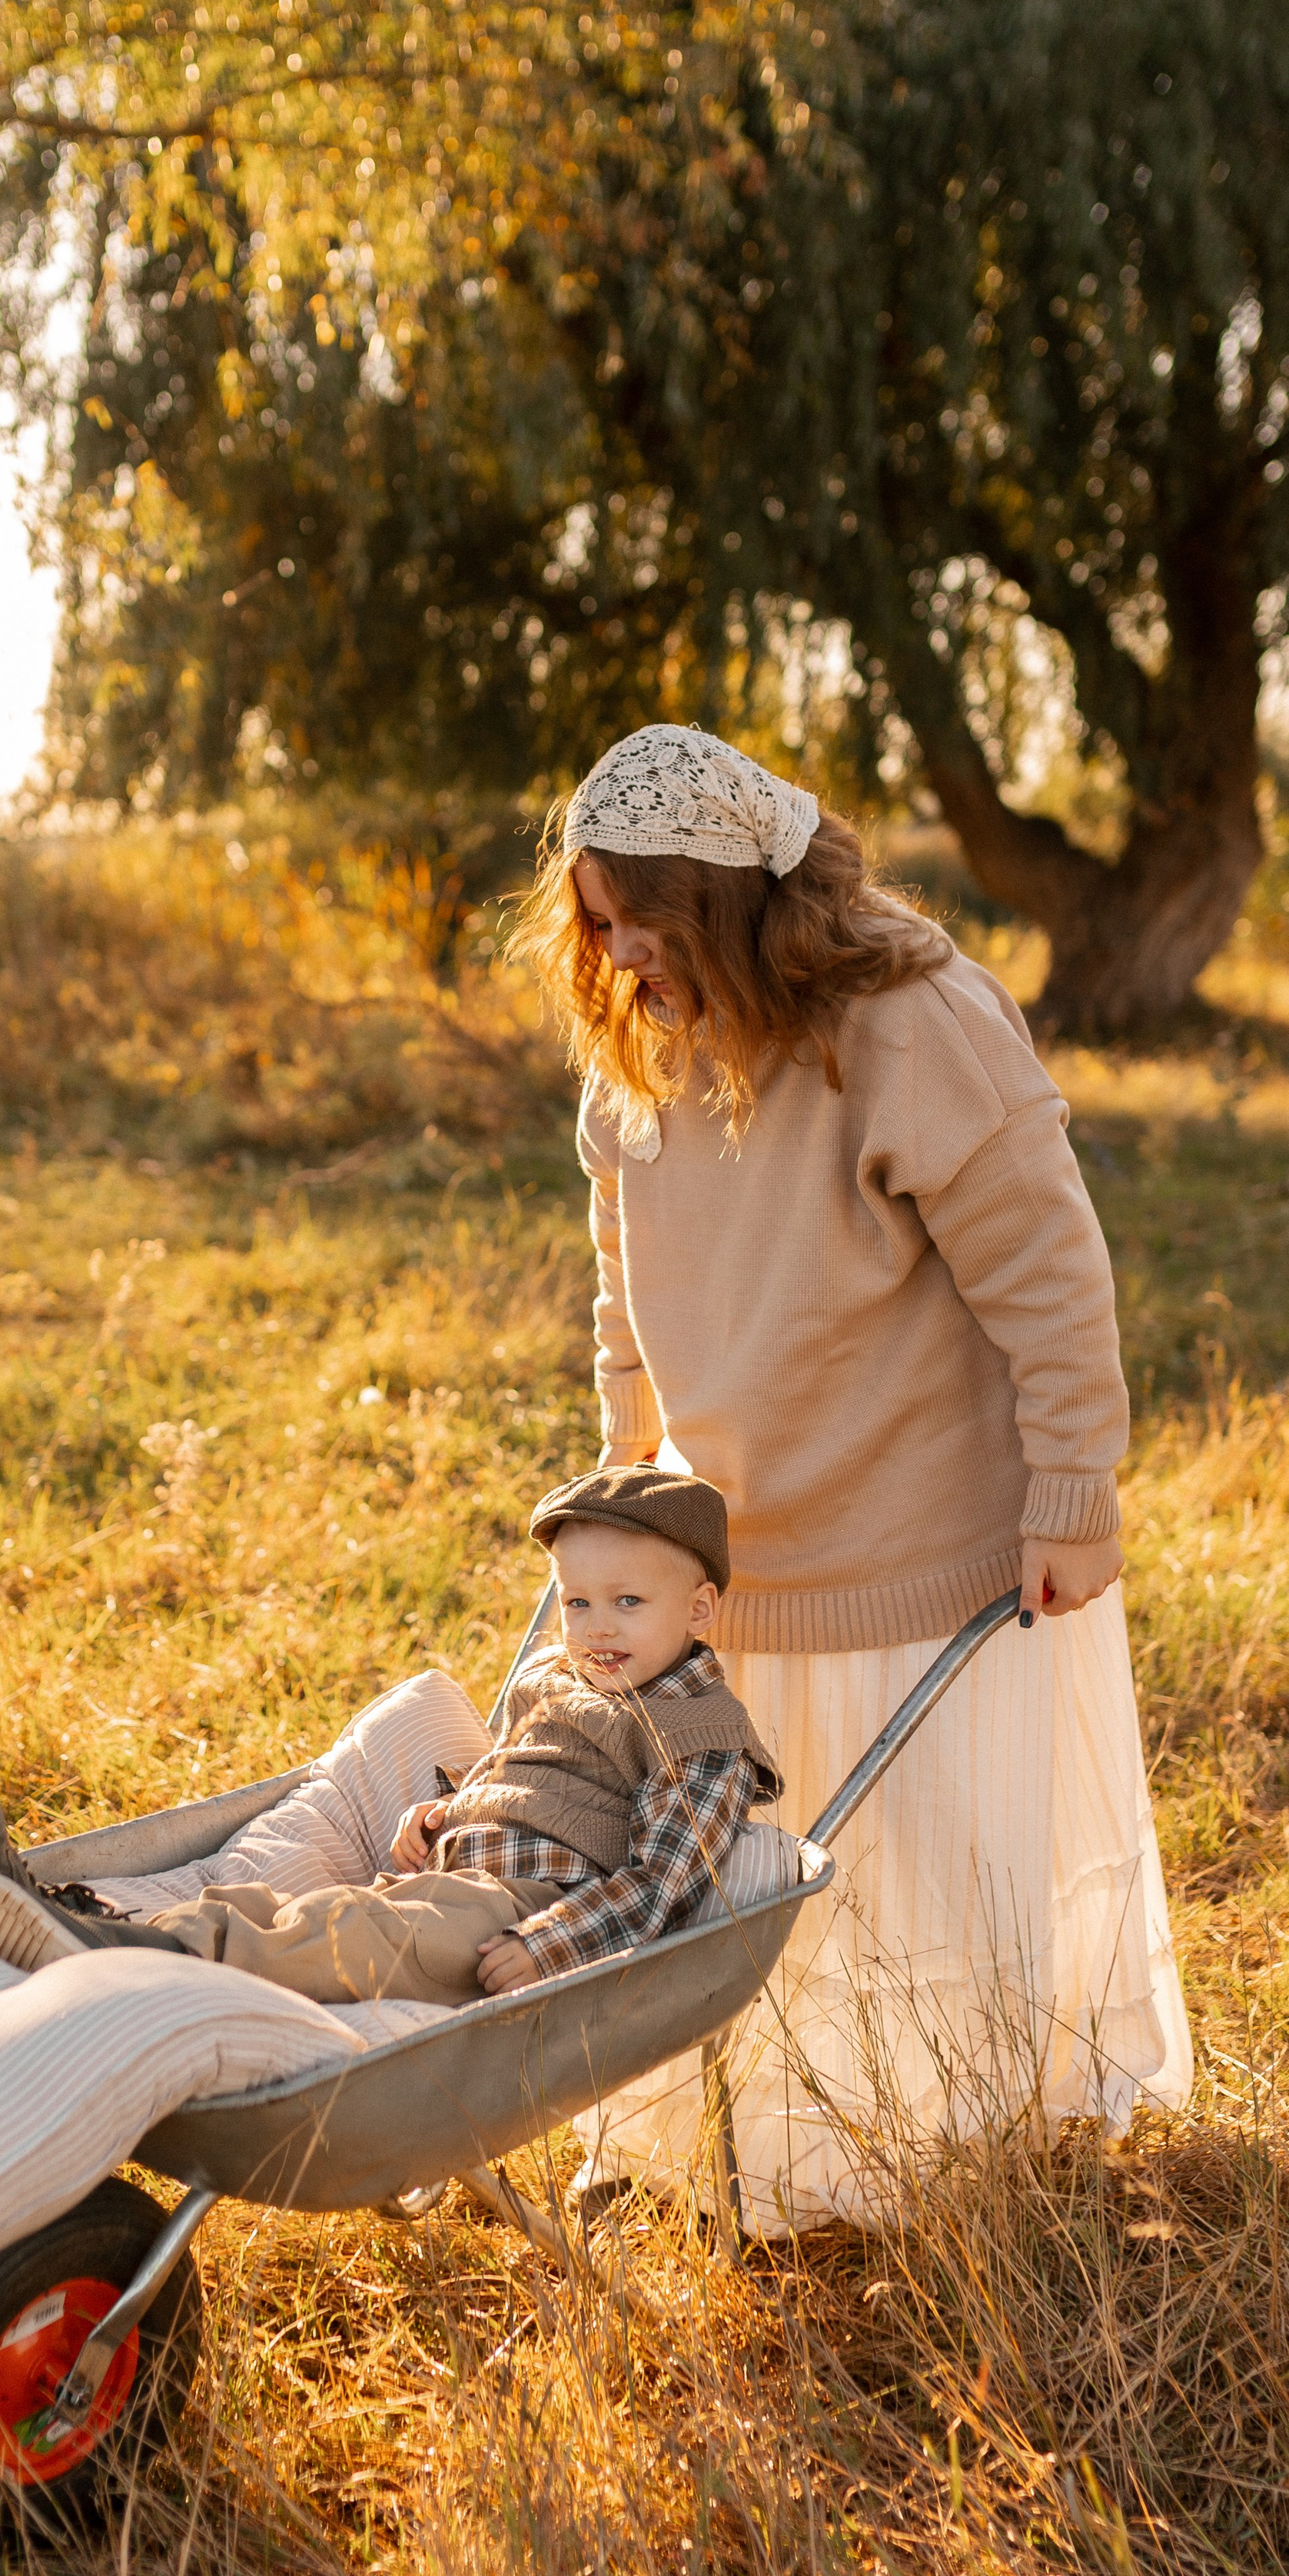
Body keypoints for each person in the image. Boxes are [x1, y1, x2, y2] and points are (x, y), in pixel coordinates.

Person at [516, 722, 1192, 2226]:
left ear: (733, 905)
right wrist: (627, 1423)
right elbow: (620, 1257)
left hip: (917, 1530)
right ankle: (751, 2138)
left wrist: (1073, 1489)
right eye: (595, 921)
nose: (618, 953)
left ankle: (951, 2149)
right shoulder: (640, 1046)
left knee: (924, 1869)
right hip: (731, 1532)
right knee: (735, 1867)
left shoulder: (907, 1020)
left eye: (645, 919)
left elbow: (1045, 1269)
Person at [0, 1468, 794, 2007]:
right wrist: (448, 1810)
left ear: (699, 1610)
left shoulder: (700, 1736)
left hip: (520, 1919)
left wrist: (545, 1945)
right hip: (456, 1883)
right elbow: (524, 1771)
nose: (595, 1627)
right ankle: (84, 1913)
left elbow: (660, 1886)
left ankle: (110, 1951)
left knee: (345, 1934)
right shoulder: (564, 1677)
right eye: (577, 1602)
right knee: (307, 1915)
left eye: (628, 1603)